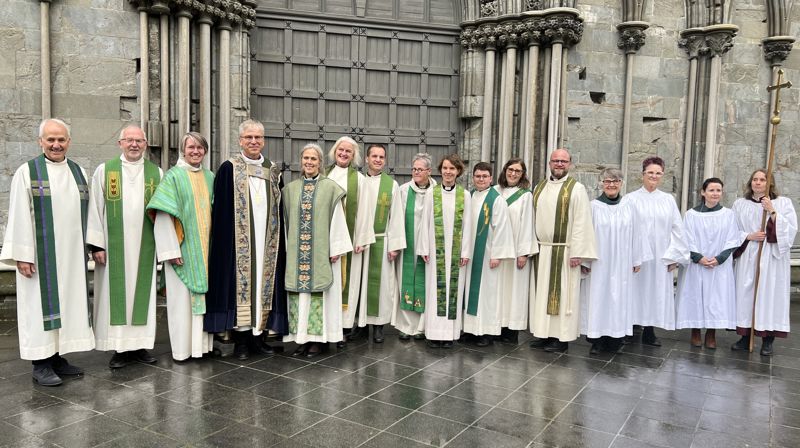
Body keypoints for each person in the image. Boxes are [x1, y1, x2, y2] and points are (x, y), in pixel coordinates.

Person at [1, 118, 94, 386]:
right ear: (40, 141)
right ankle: (40, 363)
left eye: (61, 139)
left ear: (69, 142)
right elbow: (19, 215)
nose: (56, 144)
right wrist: (23, 254)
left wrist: (91, 246)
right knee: (39, 307)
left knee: (66, 305)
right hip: (40, 258)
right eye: (50, 139)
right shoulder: (27, 172)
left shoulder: (79, 173)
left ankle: (56, 358)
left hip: (71, 255)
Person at [205, 119, 284, 360]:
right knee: (240, 288)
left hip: (267, 243)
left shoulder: (273, 170)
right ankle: (241, 341)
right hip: (238, 244)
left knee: (263, 286)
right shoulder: (229, 168)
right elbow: (220, 211)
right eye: (249, 137)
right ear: (240, 140)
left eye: (258, 137)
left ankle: (258, 338)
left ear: (264, 140)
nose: (253, 142)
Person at [87, 125, 161, 369]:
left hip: (144, 247)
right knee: (115, 297)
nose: (134, 145)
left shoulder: (156, 173)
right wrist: (96, 245)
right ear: (120, 143)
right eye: (129, 140)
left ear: (146, 144)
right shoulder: (105, 171)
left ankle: (139, 346)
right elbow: (95, 209)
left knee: (142, 297)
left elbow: (162, 214)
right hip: (112, 248)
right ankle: (119, 349)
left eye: (138, 141)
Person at [147, 132, 215, 361]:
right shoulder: (173, 177)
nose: (196, 152)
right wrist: (171, 251)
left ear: (205, 151)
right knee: (181, 304)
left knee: (203, 301)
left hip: (205, 250)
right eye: (191, 147)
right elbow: (164, 214)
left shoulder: (210, 176)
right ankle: (182, 350)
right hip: (182, 250)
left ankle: (201, 347)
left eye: (200, 148)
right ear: (182, 150)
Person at [283, 143, 352, 358]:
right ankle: (302, 338)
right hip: (297, 255)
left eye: (314, 159)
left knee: (321, 296)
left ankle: (320, 341)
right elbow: (286, 222)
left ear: (320, 163)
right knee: (300, 298)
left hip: (323, 253)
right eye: (306, 159)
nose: (309, 162)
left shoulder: (331, 188)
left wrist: (337, 248)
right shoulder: (290, 190)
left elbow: (338, 220)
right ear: (301, 162)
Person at [529, 149, 597, 353]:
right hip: (543, 250)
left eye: (563, 161)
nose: (559, 164)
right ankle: (543, 333)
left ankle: (561, 338)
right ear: (549, 163)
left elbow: (582, 221)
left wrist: (578, 252)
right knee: (542, 295)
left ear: (570, 164)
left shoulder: (576, 189)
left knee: (563, 295)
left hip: (565, 252)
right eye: (555, 161)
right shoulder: (539, 187)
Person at [579, 168, 648, 354]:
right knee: (598, 297)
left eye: (615, 181)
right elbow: (586, 234)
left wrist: (636, 259)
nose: (611, 185)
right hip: (599, 262)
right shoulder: (593, 206)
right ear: (601, 183)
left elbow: (637, 234)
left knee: (619, 298)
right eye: (608, 181)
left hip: (622, 263)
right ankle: (597, 340)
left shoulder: (629, 206)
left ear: (621, 184)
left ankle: (615, 338)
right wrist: (585, 261)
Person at [731, 169, 798, 356]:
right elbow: (730, 230)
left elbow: (791, 230)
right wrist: (748, 236)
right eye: (755, 179)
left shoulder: (783, 203)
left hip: (771, 258)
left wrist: (772, 211)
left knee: (768, 296)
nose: (758, 183)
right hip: (748, 256)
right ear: (750, 182)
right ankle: (745, 336)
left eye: (762, 180)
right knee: (746, 296)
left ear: (770, 183)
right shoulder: (740, 204)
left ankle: (768, 340)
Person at [673, 177, 742, 349]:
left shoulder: (728, 215)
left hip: (719, 265)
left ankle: (711, 333)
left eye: (718, 190)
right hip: (697, 264)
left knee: (715, 298)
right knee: (695, 295)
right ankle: (695, 331)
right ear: (703, 192)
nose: (715, 193)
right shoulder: (691, 215)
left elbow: (732, 239)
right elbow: (685, 239)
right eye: (711, 190)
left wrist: (719, 258)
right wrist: (698, 257)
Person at [626, 156, 686, 346]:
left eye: (658, 173)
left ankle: (650, 331)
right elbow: (625, 228)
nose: (654, 176)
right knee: (636, 290)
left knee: (655, 292)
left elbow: (678, 229)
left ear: (662, 175)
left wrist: (674, 257)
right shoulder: (630, 199)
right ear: (643, 174)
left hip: (661, 255)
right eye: (650, 172)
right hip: (637, 256)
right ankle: (631, 327)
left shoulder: (667, 200)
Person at [351, 144, 405, 343]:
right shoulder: (357, 181)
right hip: (360, 243)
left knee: (381, 287)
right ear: (366, 159)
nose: (378, 160)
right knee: (360, 284)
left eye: (381, 157)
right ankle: (361, 326)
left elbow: (396, 216)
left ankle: (379, 326)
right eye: (374, 156)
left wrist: (395, 246)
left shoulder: (391, 185)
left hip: (381, 241)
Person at [418, 153, 472, 348]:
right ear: (440, 171)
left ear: (458, 171)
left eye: (452, 168)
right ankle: (433, 333)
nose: (448, 172)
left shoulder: (464, 195)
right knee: (434, 291)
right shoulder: (432, 193)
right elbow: (425, 221)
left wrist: (465, 252)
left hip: (456, 254)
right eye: (445, 168)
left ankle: (449, 334)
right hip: (435, 250)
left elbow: (468, 225)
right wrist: (424, 247)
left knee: (453, 292)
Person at [462, 162, 515, 346]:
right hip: (470, 253)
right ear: (473, 177)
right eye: (478, 176)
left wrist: (497, 255)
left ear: (491, 178)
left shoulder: (496, 199)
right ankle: (469, 330)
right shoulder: (469, 196)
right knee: (469, 291)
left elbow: (501, 228)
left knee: (488, 294)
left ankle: (486, 332)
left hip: (487, 254)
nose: (481, 179)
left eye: (485, 176)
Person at [325, 137, 368, 345]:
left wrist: (361, 238)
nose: (343, 154)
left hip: (349, 240)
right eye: (340, 150)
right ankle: (325, 326)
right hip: (324, 240)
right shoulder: (324, 173)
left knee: (346, 283)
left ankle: (342, 328)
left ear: (354, 156)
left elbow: (364, 212)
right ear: (334, 151)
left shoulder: (359, 179)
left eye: (348, 152)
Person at [392, 153, 437, 341]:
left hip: (429, 246)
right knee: (406, 282)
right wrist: (395, 244)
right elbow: (395, 219)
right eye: (414, 169)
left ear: (429, 171)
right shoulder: (403, 190)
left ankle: (422, 326)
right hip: (408, 245)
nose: (416, 172)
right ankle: (406, 326)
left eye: (420, 169)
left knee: (425, 285)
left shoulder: (437, 191)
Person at [494, 158, 537, 344]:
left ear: (522, 175)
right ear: (504, 171)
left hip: (515, 252)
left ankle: (511, 331)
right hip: (497, 251)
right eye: (510, 170)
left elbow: (528, 224)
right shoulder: (495, 191)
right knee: (498, 290)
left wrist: (523, 253)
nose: (513, 174)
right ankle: (496, 325)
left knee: (514, 290)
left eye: (517, 171)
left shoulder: (525, 195)